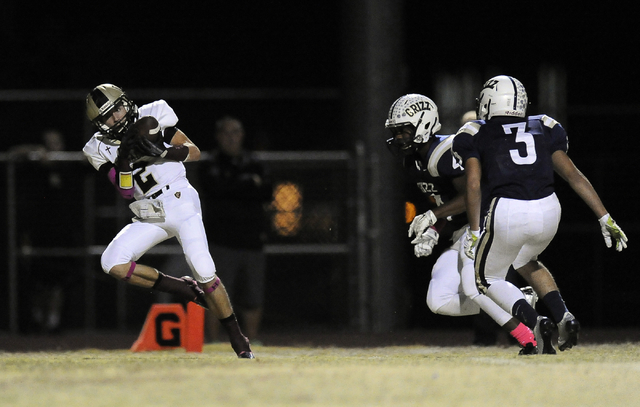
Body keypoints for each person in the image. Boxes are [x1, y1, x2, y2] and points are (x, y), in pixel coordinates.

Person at [452, 75, 628, 354]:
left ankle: (536, 323)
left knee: (485, 279)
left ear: (489, 101)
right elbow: (574, 176)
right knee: (525, 259)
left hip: (508, 210)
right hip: (549, 209)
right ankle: (564, 315)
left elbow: (473, 185)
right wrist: (605, 217)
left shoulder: (474, 131)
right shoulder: (545, 125)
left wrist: (474, 230)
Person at [82, 84, 254, 358]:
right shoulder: (97, 148)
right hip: (148, 211)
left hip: (180, 199)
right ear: (99, 124)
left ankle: (238, 339)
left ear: (127, 102)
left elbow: (194, 151)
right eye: (108, 116)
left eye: (118, 108)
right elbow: (126, 191)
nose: (116, 117)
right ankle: (182, 288)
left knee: (205, 269)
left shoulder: (154, 115)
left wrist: (160, 152)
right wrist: (125, 159)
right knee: (111, 262)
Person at [385, 94, 539, 353]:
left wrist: (433, 217)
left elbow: (472, 196)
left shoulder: (444, 153)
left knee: (474, 287)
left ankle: (526, 333)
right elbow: (446, 203)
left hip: (487, 224)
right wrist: (433, 231)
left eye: (405, 131)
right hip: (463, 231)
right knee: (438, 300)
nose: (400, 137)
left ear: (424, 125)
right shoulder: (413, 160)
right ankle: (517, 300)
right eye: (396, 132)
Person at [196, 116, 271, 343]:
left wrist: (232, 185)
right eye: (226, 133)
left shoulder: (254, 161)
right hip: (221, 240)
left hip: (251, 239)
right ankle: (214, 341)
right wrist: (247, 184)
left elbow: (266, 192)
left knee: (252, 295)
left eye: (236, 132)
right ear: (218, 136)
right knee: (215, 294)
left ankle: (252, 340)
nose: (231, 138)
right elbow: (214, 189)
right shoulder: (209, 163)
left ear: (242, 135)